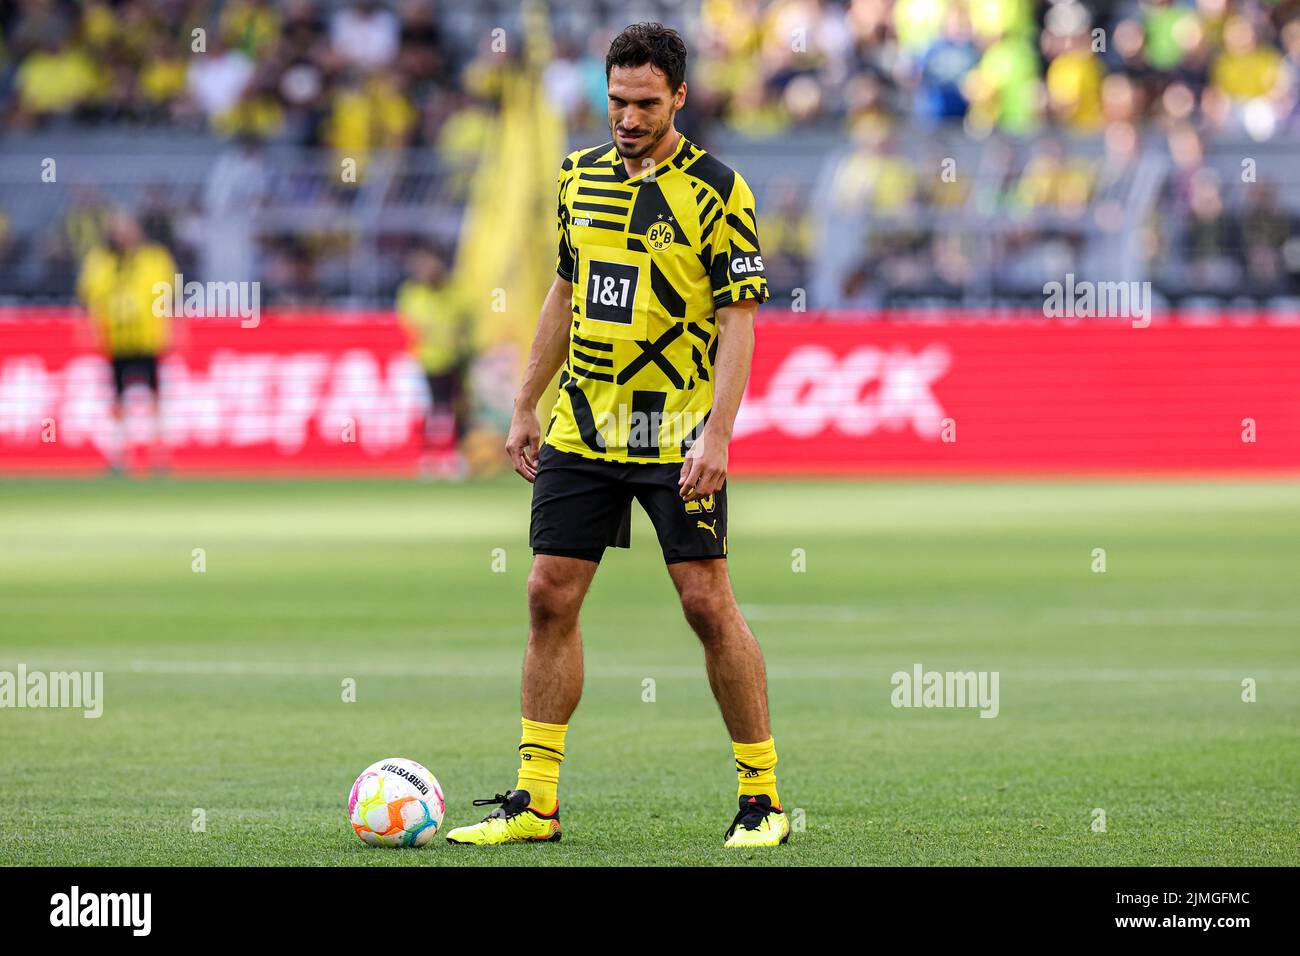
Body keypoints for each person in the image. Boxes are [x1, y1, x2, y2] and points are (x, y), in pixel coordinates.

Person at [445, 22, 788, 849]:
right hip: (584, 426)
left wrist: (719, 432)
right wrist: (527, 402)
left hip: (673, 432)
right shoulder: (578, 178)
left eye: (644, 103)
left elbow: (740, 321)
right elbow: (564, 292)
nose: (627, 118)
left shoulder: (716, 189)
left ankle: (763, 798)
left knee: (707, 604)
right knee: (545, 594)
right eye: (616, 102)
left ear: (678, 96)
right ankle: (535, 803)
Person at [77, 210, 177, 472]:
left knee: (155, 397)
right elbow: (91, 299)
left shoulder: (154, 259)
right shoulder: (100, 262)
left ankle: (159, 454)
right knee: (117, 399)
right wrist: (90, 328)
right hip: (116, 340)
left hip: (147, 339)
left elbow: (169, 298)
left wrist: (173, 328)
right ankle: (119, 456)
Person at [395, 246, 468, 457]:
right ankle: (426, 454)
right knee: (427, 411)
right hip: (422, 363)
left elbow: (464, 326)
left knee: (455, 409)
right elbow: (405, 328)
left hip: (452, 361)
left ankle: (454, 452)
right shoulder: (411, 294)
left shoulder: (456, 293)